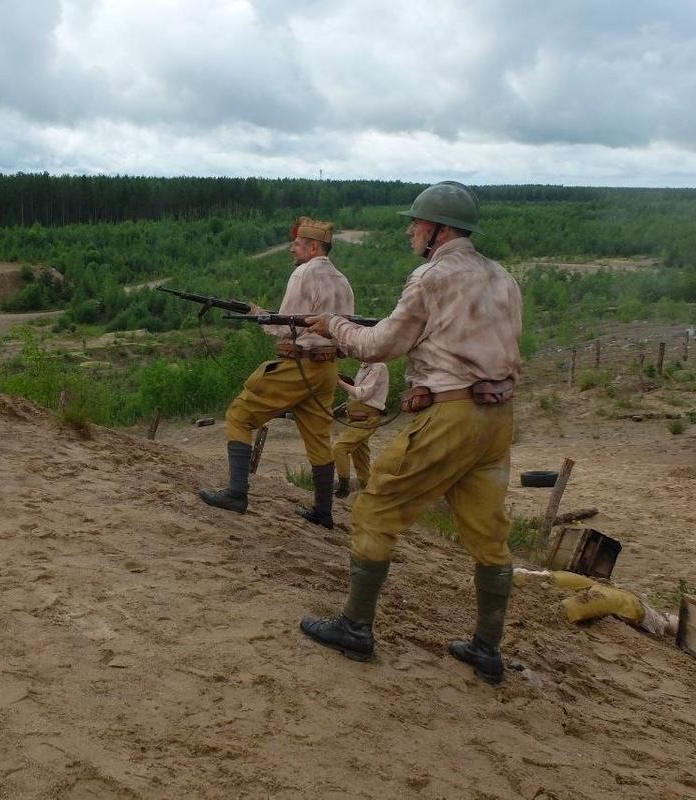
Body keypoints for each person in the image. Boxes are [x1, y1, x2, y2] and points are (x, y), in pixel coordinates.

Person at [298, 181, 523, 685]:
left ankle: (355, 627)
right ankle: (487, 649)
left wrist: (333, 326)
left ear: (439, 230)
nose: (409, 230)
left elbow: (379, 345)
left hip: (450, 417)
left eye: (416, 223)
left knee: (375, 508)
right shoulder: (504, 277)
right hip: (497, 419)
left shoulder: (431, 277)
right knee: (489, 534)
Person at [198, 216, 354, 528]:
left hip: (300, 364)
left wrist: (261, 317)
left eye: (296, 243)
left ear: (312, 247)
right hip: (327, 366)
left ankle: (236, 493)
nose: (292, 249)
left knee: (239, 415)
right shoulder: (342, 280)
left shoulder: (302, 274)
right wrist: (267, 315)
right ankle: (323, 511)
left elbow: (286, 326)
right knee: (318, 437)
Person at [331, 361, 389, 497]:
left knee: (340, 448)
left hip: (366, 420)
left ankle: (344, 488)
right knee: (360, 453)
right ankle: (367, 486)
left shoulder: (378, 366)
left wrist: (339, 381)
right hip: (357, 419)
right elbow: (360, 388)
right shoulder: (366, 365)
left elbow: (362, 394)